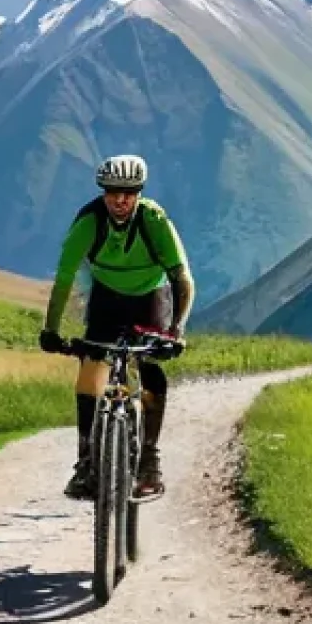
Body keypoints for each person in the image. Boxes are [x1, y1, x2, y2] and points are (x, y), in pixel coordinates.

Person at [39, 155, 195, 500]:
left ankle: (149, 462)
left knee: (150, 364)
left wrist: (175, 331)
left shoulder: (153, 220)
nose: (119, 200)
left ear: (138, 193)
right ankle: (85, 463)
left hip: (151, 296)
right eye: (112, 193)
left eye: (128, 193)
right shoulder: (89, 222)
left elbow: (181, 279)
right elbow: (63, 281)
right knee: (91, 365)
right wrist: (50, 330)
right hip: (107, 297)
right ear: (103, 193)